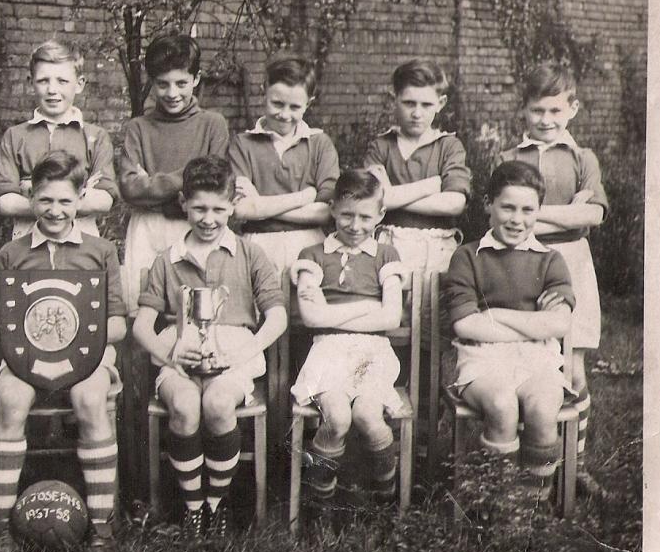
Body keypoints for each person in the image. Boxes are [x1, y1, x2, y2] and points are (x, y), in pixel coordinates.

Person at [133, 156, 287, 539]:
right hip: (180, 354)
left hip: (234, 355)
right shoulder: (167, 260)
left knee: (218, 404)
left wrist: (247, 350)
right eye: (199, 208)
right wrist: (169, 355)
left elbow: (278, 317)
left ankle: (215, 504)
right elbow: (140, 326)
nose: (208, 219)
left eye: (219, 209)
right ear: (183, 202)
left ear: (233, 206)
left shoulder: (249, 254)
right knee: (185, 406)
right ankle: (192, 507)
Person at [0, 151, 126, 552]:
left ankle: (101, 530)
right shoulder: (12, 253)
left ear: (81, 198)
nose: (55, 210)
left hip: (89, 358)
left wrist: (86, 345)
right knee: (11, 399)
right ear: (30, 199)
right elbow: (5, 326)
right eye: (46, 200)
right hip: (26, 359)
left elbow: (117, 322)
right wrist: (34, 353)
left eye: (66, 201)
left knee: (89, 398)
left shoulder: (101, 251)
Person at [494, 62, 608, 498]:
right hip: (521, 265)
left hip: (573, 264)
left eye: (555, 111)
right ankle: (526, 461)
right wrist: (564, 212)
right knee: (527, 364)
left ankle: (573, 464)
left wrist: (532, 216)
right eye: (538, 110)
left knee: (574, 368)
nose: (546, 120)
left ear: (572, 109)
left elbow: (592, 215)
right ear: (524, 110)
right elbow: (504, 221)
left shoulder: (583, 159)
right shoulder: (510, 159)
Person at [442, 161, 575, 507]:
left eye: (528, 209)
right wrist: (532, 323)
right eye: (508, 207)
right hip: (482, 359)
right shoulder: (468, 257)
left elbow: (558, 325)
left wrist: (496, 314)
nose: (517, 219)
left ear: (538, 212)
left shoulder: (550, 261)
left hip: (538, 359)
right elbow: (465, 325)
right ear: (488, 204)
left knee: (544, 407)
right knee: (501, 404)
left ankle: (529, 507)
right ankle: (499, 504)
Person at [362, 58, 470, 458]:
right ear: (395, 99)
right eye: (409, 102)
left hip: (434, 250)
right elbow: (377, 200)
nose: (416, 112)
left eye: (425, 104)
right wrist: (429, 184)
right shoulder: (381, 145)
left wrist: (396, 195)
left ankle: (424, 435)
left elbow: (455, 202)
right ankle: (385, 424)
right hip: (388, 246)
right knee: (390, 333)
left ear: (439, 103)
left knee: (429, 338)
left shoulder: (448, 146)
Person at [289, 169, 407, 512]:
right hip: (327, 350)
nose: (355, 225)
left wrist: (336, 312)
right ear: (332, 210)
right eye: (346, 215)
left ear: (380, 215)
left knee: (368, 416)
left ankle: (384, 493)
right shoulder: (312, 254)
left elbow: (391, 317)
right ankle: (320, 501)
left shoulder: (387, 255)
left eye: (365, 217)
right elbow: (312, 318)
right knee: (337, 418)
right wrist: (369, 306)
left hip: (373, 351)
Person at [118, 34, 229, 315]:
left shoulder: (212, 125)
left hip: (194, 226)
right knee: (142, 308)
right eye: (162, 84)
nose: (172, 93)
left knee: (194, 309)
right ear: (151, 82)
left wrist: (152, 185)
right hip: (147, 229)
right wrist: (191, 174)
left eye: (181, 83)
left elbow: (213, 183)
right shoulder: (138, 128)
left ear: (196, 78)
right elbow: (131, 189)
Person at [0, 38, 118, 239]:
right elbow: (6, 202)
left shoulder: (95, 137)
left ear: (79, 84)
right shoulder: (15, 136)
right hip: (28, 237)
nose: (52, 90)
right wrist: (78, 193)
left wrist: (32, 192)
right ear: (31, 83)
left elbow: (104, 200)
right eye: (43, 80)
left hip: (81, 237)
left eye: (62, 81)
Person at [228, 55, 340, 278]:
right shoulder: (243, 143)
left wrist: (260, 205)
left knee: (305, 307)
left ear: (309, 103)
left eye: (295, 107)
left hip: (309, 247)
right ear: (264, 90)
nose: (284, 115)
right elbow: (241, 209)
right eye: (277, 103)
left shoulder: (319, 144)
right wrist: (306, 197)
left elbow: (326, 213)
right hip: (257, 246)